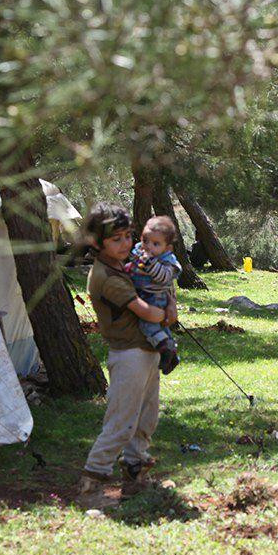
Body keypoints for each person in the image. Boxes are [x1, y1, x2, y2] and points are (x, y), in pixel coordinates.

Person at [77, 203, 177, 497]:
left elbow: (162, 282)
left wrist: (168, 302)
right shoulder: (106, 277)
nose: (125, 244)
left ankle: (135, 472)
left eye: (128, 236)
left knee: (146, 417)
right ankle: (91, 484)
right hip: (129, 354)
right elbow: (147, 312)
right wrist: (167, 312)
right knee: (121, 422)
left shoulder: (123, 263)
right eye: (116, 239)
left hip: (146, 350)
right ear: (98, 243)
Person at [126, 215, 181, 375]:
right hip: (142, 294)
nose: (148, 246)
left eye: (156, 244)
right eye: (145, 240)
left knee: (147, 324)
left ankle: (164, 347)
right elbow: (133, 265)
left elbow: (164, 277)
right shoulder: (139, 251)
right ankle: (172, 354)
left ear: (167, 248)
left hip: (156, 297)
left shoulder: (167, 260)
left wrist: (150, 264)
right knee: (160, 326)